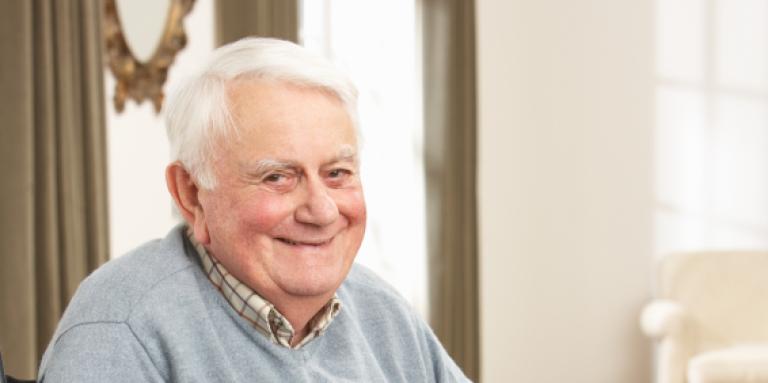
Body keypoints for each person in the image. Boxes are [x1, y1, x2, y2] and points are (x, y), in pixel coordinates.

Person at [37, 37, 469, 382]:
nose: (320, 211)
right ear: (191, 193)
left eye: (337, 173)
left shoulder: (383, 313)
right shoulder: (120, 330)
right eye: (277, 177)